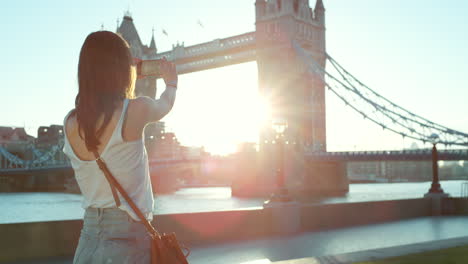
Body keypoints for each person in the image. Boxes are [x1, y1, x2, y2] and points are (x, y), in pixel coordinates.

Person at [62, 31, 178, 263]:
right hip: (127, 240)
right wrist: (171, 82)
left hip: (88, 239)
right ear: (122, 69)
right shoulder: (137, 110)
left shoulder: (70, 121)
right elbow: (165, 103)